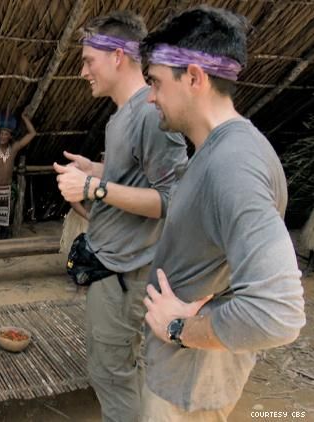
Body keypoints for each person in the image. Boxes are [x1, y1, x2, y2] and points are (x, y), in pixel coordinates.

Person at [138, 7, 305, 420]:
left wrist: (177, 329)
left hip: (188, 394)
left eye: (156, 82)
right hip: (185, 381)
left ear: (194, 77)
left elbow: (278, 312)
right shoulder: (219, 152)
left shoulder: (233, 165)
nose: (151, 96)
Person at [52, 11, 187, 422]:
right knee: (117, 369)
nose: (82, 72)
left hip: (127, 272)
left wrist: (94, 188)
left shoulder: (150, 113)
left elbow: (173, 198)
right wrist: (98, 170)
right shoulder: (123, 116)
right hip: (114, 268)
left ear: (117, 57)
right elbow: (139, 178)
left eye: (88, 60)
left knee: (111, 374)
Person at [0, 112, 36, 239]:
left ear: (10, 136)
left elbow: (32, 133)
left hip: (8, 190)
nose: (3, 136)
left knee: (6, 222)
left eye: (6, 134)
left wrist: (24, 118)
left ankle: (3, 244)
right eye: (1, 133)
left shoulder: (14, 148)